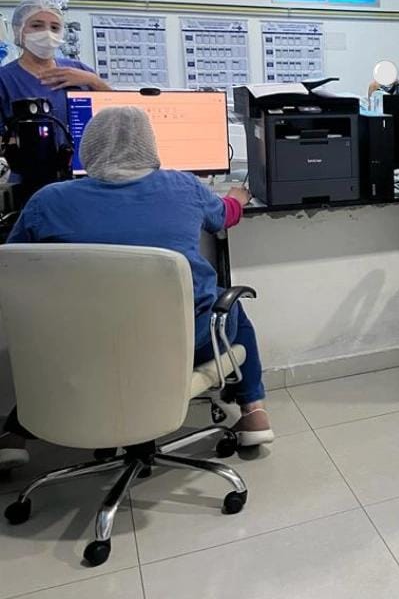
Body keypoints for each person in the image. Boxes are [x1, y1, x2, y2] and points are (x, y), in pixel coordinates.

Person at [0, 107, 272, 470]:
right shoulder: (183, 187)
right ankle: (253, 413)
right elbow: (227, 216)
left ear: (87, 147)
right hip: (179, 344)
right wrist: (237, 197)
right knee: (230, 303)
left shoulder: (47, 201)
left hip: (80, 346)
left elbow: (13, 267)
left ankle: (14, 435)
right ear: (149, 145)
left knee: (73, 336)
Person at [0, 0, 110, 129]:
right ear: (19, 30)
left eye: (54, 27)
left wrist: (94, 81)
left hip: (84, 143)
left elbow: (119, 113)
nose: (47, 33)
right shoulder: (5, 79)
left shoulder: (81, 70)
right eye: (36, 26)